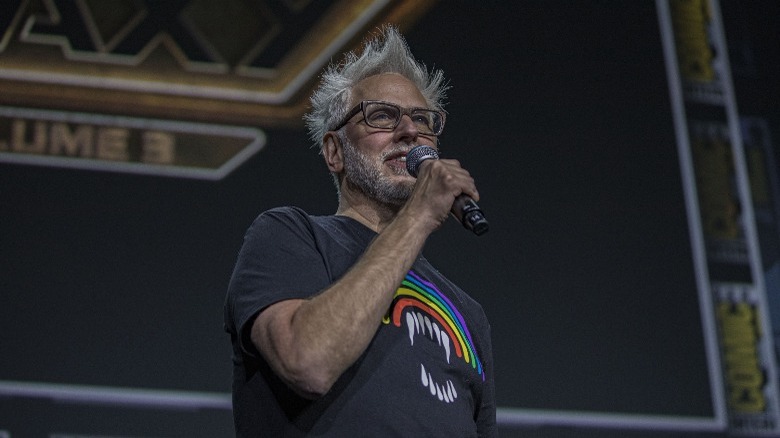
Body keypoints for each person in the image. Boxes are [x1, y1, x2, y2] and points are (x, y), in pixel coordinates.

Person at [224, 26, 496, 437]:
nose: (410, 132)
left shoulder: (468, 313)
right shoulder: (290, 234)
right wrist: (419, 215)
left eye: (423, 121)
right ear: (335, 152)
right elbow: (307, 362)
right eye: (383, 115)